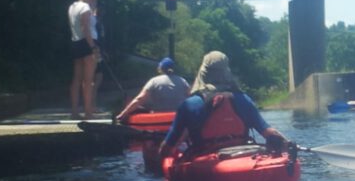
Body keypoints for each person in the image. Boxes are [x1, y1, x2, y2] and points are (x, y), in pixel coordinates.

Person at [158, 51, 288, 159]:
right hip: (243, 155)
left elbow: (168, 147)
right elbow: (268, 132)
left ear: (203, 73)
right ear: (227, 72)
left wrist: (161, 160)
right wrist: (287, 145)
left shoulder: (188, 105)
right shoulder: (244, 99)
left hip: (206, 161)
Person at [116, 57, 190, 121]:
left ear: (160, 68)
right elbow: (190, 98)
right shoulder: (183, 81)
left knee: (139, 108)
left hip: (158, 117)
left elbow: (140, 99)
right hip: (177, 117)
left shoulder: (154, 81)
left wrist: (123, 114)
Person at [68, 0, 99, 119]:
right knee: (88, 80)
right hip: (88, 42)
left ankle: (75, 111)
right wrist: (93, 47)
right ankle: (88, 113)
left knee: (76, 79)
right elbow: (85, 27)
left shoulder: (72, 7)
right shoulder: (85, 7)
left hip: (75, 41)